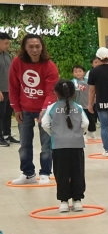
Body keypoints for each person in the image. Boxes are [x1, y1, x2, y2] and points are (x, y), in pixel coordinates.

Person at [8, 34, 59, 183]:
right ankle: (28, 173)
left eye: (37, 46)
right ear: (24, 47)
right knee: (24, 144)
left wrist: (45, 109)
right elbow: (13, 86)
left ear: (42, 47)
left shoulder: (49, 66)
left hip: (45, 110)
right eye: (31, 47)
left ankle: (45, 173)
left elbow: (51, 92)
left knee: (46, 144)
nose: (35, 50)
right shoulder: (17, 62)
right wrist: (16, 108)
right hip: (25, 110)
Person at [40, 80, 87, 213]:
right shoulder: (78, 107)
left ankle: (64, 202)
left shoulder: (51, 108)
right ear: (73, 93)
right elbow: (85, 123)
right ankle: (77, 201)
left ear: (56, 93)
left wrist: (54, 135)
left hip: (59, 146)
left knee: (61, 173)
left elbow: (44, 124)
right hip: (77, 145)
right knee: (77, 172)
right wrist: (79, 134)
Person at [72, 65, 96, 140]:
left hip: (89, 103)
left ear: (84, 72)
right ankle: (83, 133)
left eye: (80, 71)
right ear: (73, 73)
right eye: (76, 72)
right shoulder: (73, 82)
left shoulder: (88, 80)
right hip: (79, 104)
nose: (78, 73)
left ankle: (91, 132)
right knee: (82, 120)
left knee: (92, 119)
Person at [0, 32, 13, 147]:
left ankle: (7, 134)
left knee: (8, 113)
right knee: (1, 113)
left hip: (9, 90)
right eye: (6, 43)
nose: (8, 46)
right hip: (0, 91)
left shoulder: (7, 56)